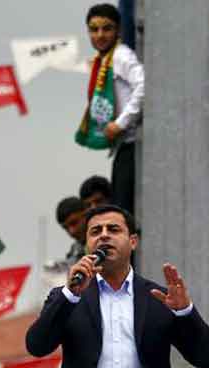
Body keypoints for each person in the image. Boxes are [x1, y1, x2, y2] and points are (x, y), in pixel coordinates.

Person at [26, 204, 209, 368]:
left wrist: (185, 312)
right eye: (95, 231)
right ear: (87, 245)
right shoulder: (69, 297)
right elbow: (36, 346)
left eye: (114, 229)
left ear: (133, 241)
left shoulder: (158, 298)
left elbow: (207, 358)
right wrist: (70, 294)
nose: (104, 235)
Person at [76, 4, 145, 215]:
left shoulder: (121, 56)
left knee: (122, 215)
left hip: (133, 144)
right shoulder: (103, 60)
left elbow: (144, 86)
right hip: (122, 145)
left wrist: (120, 123)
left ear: (118, 30)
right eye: (94, 29)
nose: (100, 35)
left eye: (107, 28)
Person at [56, 196, 87, 264]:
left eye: (74, 223)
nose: (72, 231)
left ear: (86, 214)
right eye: (66, 228)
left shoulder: (105, 241)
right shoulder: (73, 252)